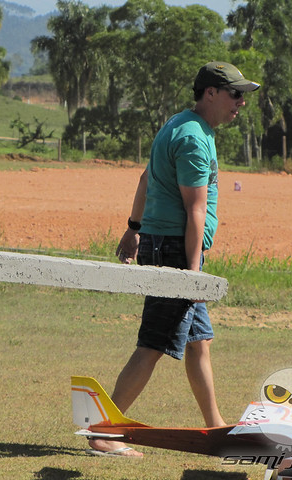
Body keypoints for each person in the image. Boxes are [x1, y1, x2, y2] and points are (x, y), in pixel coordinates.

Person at [88, 62, 259, 457]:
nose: (241, 102)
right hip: (176, 252)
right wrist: (194, 274)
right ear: (210, 93)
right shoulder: (195, 138)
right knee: (153, 343)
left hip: (166, 245)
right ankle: (102, 431)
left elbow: (148, 178)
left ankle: (215, 427)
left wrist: (134, 227)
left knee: (200, 342)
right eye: (235, 94)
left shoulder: (179, 124)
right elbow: (196, 209)